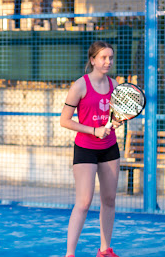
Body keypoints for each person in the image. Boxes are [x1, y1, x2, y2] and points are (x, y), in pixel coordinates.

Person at [60, 41, 123, 257]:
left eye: (111, 58)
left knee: (109, 200)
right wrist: (94, 130)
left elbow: (114, 117)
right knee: (84, 202)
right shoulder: (79, 86)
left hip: (110, 148)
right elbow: (65, 121)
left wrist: (115, 122)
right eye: (103, 58)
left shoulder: (115, 85)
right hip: (85, 148)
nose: (108, 62)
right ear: (93, 60)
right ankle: (70, 254)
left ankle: (105, 251)